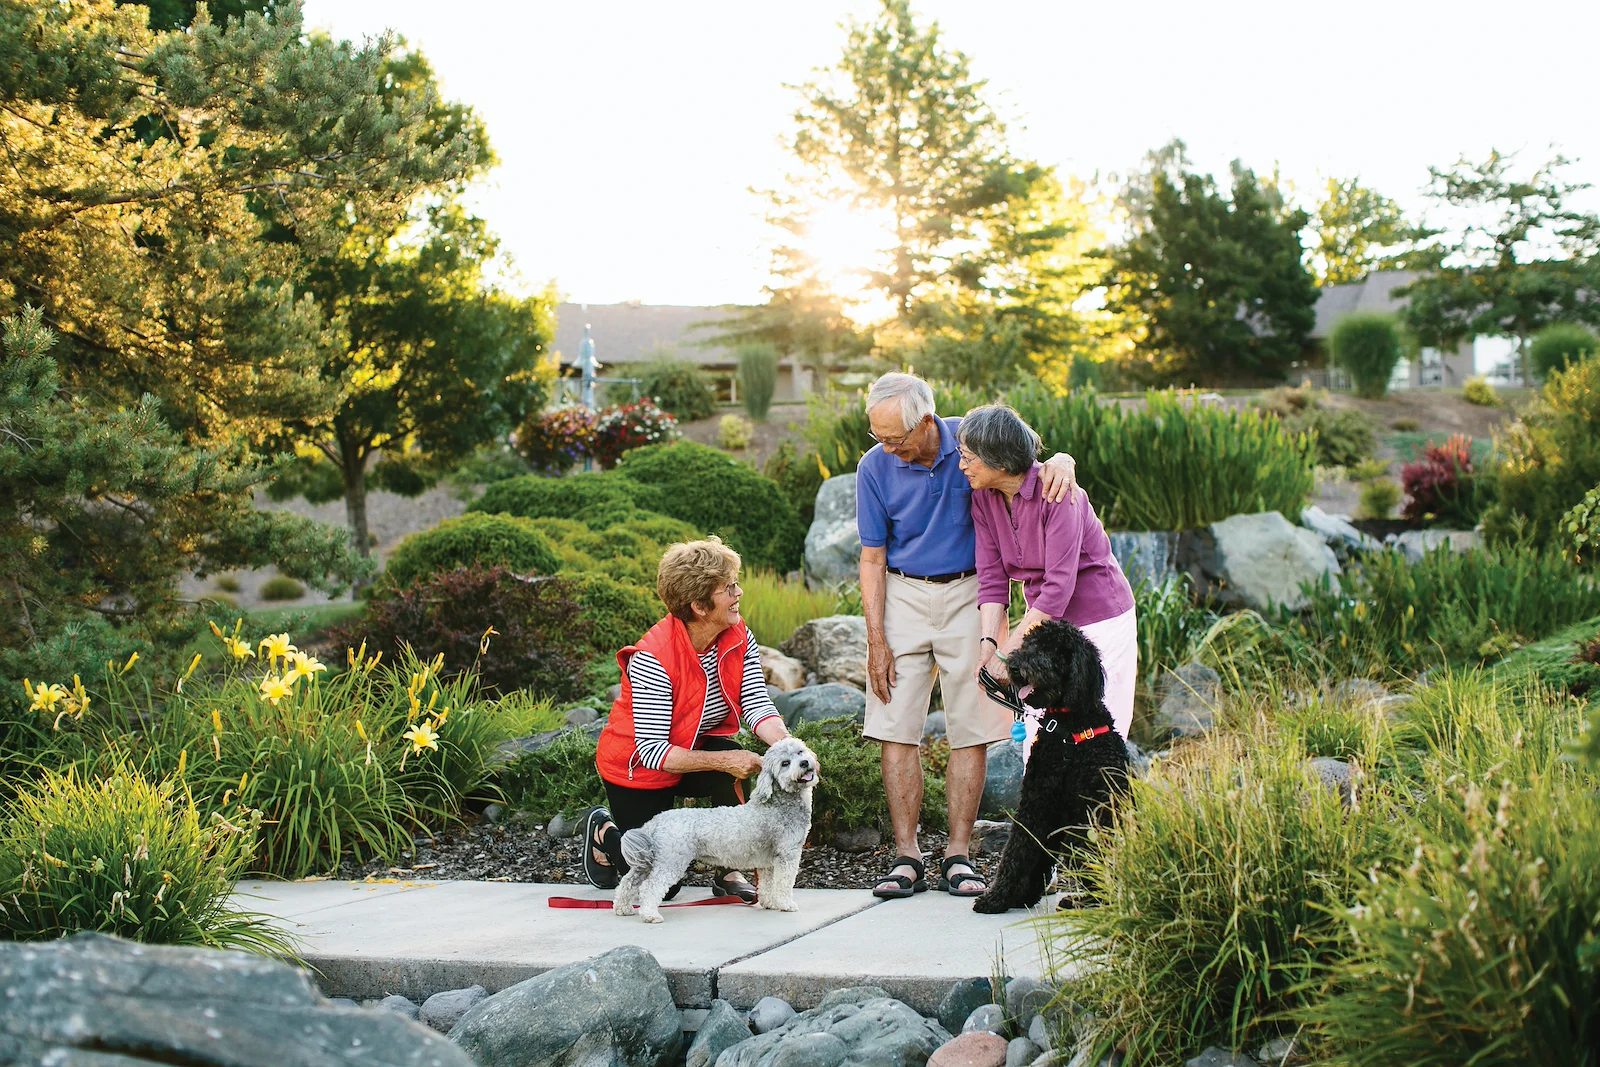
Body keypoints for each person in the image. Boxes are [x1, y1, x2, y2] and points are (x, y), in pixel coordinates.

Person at [857, 373, 1077, 901]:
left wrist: (1063, 460)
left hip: (975, 594)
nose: (887, 449)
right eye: (877, 437)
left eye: (895, 439)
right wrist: (875, 640)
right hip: (902, 593)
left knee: (972, 727)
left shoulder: (971, 445)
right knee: (895, 725)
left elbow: (1026, 463)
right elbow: (871, 556)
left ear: (927, 422)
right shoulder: (874, 467)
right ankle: (907, 855)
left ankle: (958, 853)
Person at [585, 537, 791, 901]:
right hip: (639, 767)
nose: (738, 592)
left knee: (729, 764)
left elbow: (756, 702)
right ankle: (604, 832)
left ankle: (730, 870)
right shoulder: (653, 657)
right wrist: (725, 761)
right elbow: (651, 751)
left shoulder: (738, 634)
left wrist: (787, 746)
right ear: (698, 605)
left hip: (693, 747)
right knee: (660, 881)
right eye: (728, 588)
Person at [958, 404, 1138, 751]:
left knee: (1096, 736)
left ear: (1001, 460)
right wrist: (989, 646)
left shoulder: (1058, 493)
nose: (961, 465)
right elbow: (993, 579)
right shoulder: (982, 499)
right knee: (1041, 741)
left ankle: (1105, 806)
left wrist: (1009, 653)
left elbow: (1058, 588)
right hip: (1044, 628)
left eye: (968, 457)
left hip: (1099, 621)